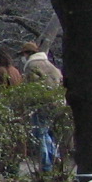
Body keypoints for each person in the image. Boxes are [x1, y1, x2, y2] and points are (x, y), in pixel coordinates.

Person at [18, 42, 63, 170]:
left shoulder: (32, 65)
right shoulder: (50, 65)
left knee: (40, 134)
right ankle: (56, 158)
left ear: (28, 54)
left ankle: (46, 165)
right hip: (55, 103)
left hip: (40, 103)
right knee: (47, 133)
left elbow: (30, 86)